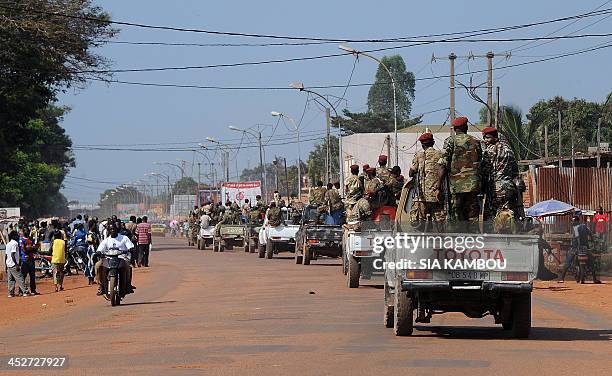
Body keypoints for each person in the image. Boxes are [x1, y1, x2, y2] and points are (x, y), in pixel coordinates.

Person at [436, 116, 483, 232]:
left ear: (454, 129)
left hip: (456, 187)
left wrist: (438, 186)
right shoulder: (476, 141)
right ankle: (474, 243)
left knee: (456, 218)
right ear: (466, 127)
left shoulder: (450, 141)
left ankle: (458, 244)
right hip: (473, 186)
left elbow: (443, 164)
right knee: (473, 218)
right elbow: (480, 161)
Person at [481, 127, 520, 223]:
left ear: (495, 138)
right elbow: (515, 171)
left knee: (495, 218)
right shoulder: (508, 150)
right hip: (509, 188)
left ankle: (496, 237)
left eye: (488, 138)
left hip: (496, 190)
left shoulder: (489, 151)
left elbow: (484, 171)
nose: (486, 141)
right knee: (508, 216)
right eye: (485, 138)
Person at [409, 132, 445, 230]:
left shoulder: (419, 155)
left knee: (419, 221)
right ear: (433, 142)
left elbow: (411, 172)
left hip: (422, 196)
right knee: (439, 220)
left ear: (422, 144)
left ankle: (424, 240)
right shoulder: (440, 154)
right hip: (436, 194)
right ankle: (440, 239)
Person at [95, 223, 135, 296]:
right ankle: (102, 285)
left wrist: (131, 249)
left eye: (114, 229)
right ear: (109, 231)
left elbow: (130, 246)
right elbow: (100, 248)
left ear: (117, 230)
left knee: (128, 267)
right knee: (98, 265)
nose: (113, 230)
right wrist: (98, 252)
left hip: (122, 258)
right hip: (108, 258)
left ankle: (128, 285)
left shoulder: (124, 238)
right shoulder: (106, 240)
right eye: (111, 229)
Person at [6, 231, 31, 297]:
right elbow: (12, 254)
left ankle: (11, 293)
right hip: (13, 264)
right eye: (17, 235)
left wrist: (6, 265)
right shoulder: (15, 244)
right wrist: (16, 264)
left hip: (8, 264)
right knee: (20, 278)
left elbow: (6, 255)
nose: (18, 236)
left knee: (11, 279)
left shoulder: (8, 244)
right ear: (13, 236)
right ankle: (25, 291)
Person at [18, 228, 39, 295]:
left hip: (31, 259)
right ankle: (21, 290)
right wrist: (32, 248)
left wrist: (32, 248)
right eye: (26, 231)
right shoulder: (21, 240)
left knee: (32, 276)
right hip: (25, 260)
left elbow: (35, 248)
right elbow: (24, 250)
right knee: (23, 276)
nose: (27, 232)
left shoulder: (30, 239)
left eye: (28, 231)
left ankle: (33, 290)